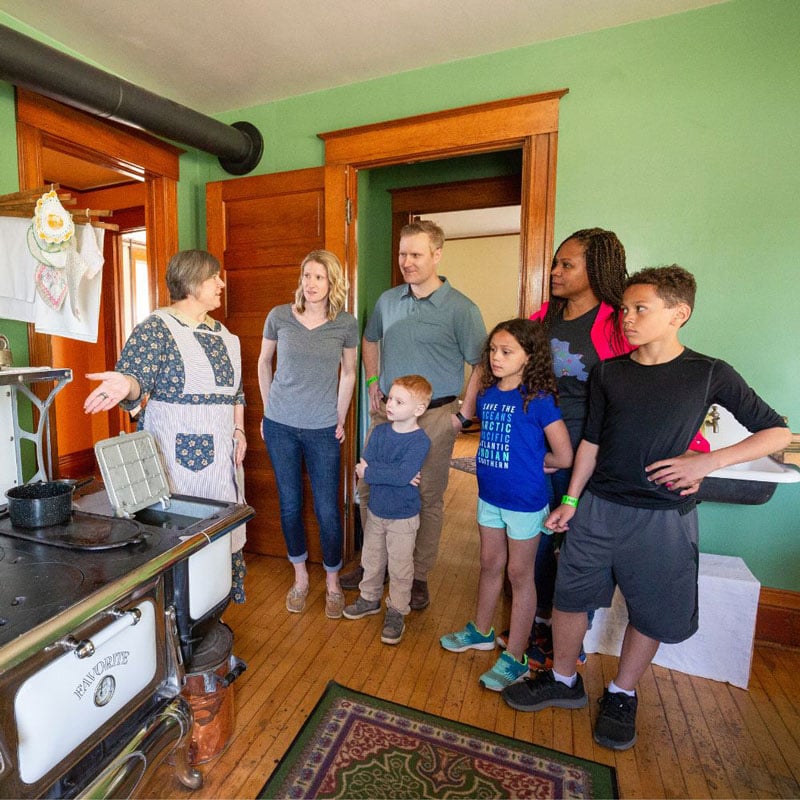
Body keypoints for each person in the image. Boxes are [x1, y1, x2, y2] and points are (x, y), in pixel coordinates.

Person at [502, 266, 791, 750]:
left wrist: (706, 463)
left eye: (641, 309)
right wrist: (571, 499)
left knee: (652, 612)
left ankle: (621, 692)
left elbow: (777, 431)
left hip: (662, 519)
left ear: (679, 314)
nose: (628, 319)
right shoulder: (609, 372)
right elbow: (591, 441)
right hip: (597, 508)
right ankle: (564, 680)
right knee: (570, 598)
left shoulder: (709, 372)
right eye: (625, 310)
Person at [83, 249, 249, 602]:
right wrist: (125, 385)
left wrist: (240, 431)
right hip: (175, 464)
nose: (221, 283)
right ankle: (176, 627)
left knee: (218, 540)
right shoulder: (157, 329)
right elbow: (136, 377)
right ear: (191, 282)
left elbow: (237, 393)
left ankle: (210, 612)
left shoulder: (225, 335)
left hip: (222, 461)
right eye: (213, 277)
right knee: (180, 543)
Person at [340, 219, 486, 611]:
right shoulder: (388, 301)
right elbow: (370, 339)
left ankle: (417, 575)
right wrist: (373, 382)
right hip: (386, 416)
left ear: (437, 255)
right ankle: (375, 567)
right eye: (403, 253)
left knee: (424, 495)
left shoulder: (462, 309)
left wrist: (465, 414)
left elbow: (481, 363)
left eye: (416, 254)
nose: (407, 261)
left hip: (435, 418)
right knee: (370, 488)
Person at [440, 319, 572, 690]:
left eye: (506, 352)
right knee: (489, 564)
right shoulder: (488, 395)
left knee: (519, 575)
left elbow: (563, 455)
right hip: (489, 498)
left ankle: (515, 655)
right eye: (493, 351)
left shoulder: (539, 400)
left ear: (529, 358)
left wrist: (536, 463)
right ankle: (482, 631)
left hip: (525, 504)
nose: (496, 358)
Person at [257, 250, 358, 619]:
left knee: (328, 510)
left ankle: (332, 584)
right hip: (281, 425)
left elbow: (348, 374)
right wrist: (268, 412)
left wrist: (340, 417)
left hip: (322, 428)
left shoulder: (346, 324)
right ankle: (300, 579)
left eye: (319, 277)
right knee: (289, 504)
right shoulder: (279, 316)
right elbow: (263, 362)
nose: (311, 284)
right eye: (307, 276)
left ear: (332, 283)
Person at [342, 375, 432, 645]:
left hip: (403, 518)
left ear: (419, 409)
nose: (389, 404)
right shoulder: (380, 432)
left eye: (399, 401)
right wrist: (387, 473)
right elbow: (366, 466)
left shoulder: (420, 441)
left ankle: (397, 610)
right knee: (371, 559)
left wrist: (376, 472)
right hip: (377, 512)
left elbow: (390, 473)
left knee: (401, 566)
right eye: (389, 398)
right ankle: (369, 598)